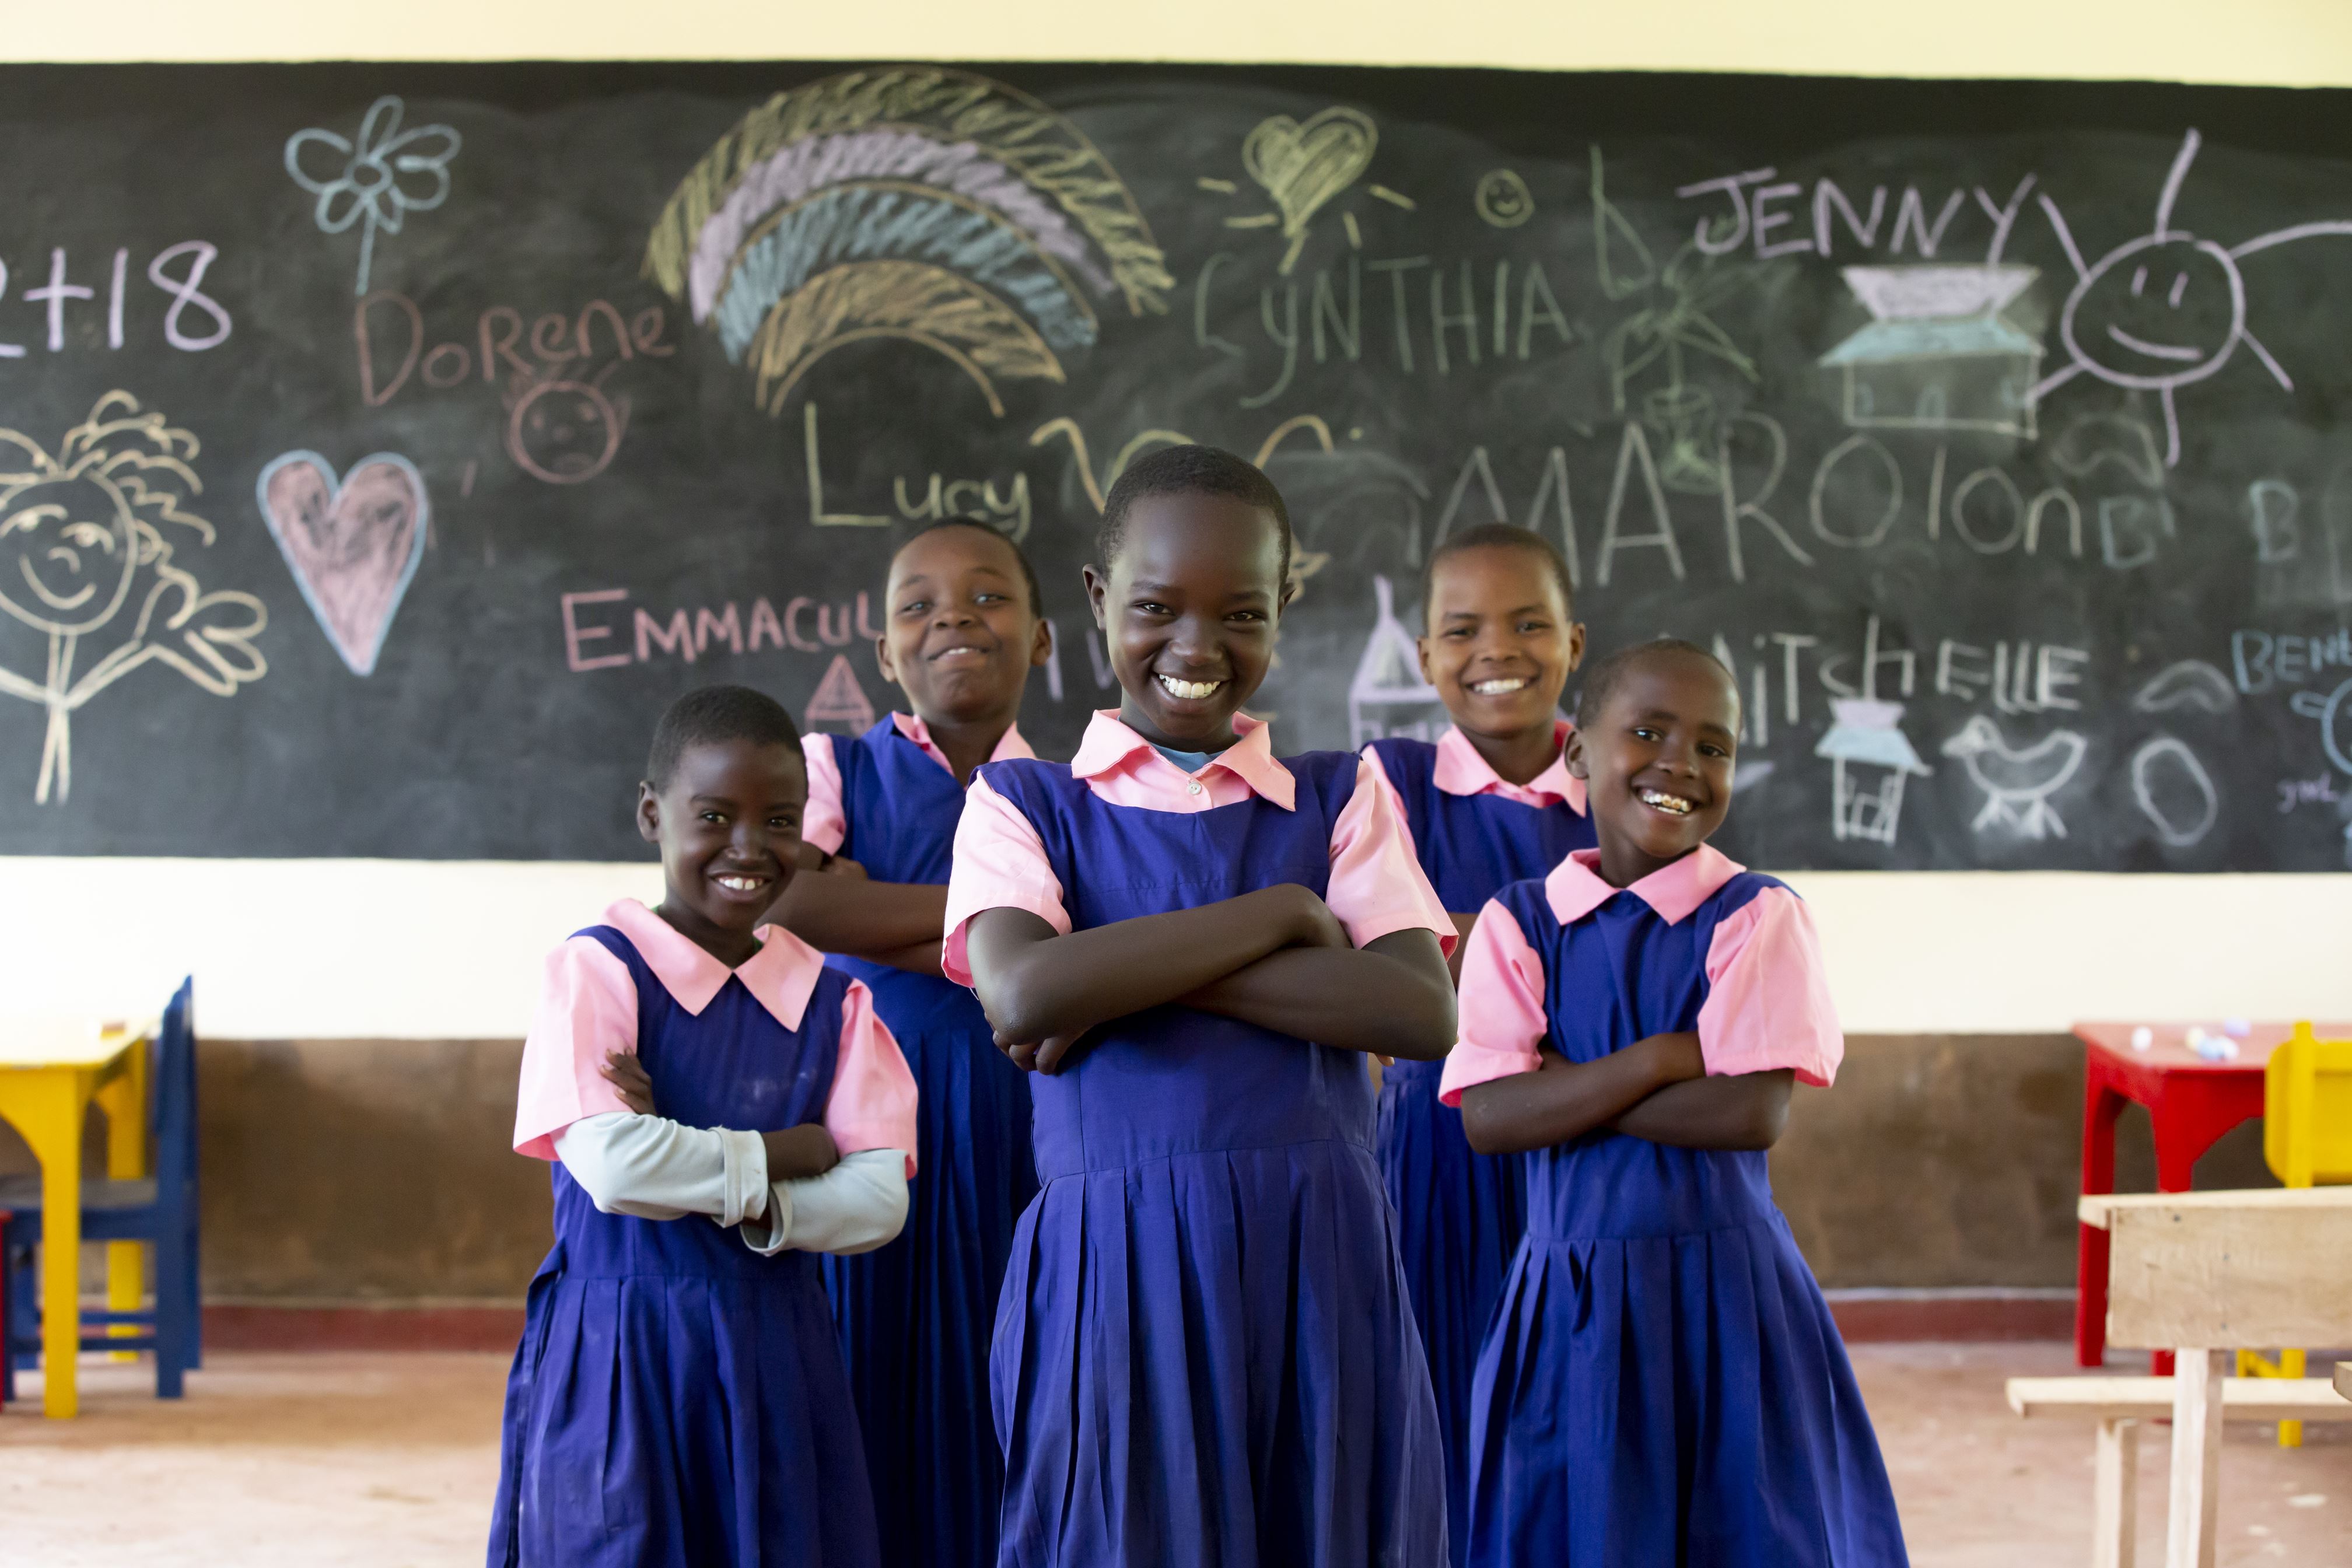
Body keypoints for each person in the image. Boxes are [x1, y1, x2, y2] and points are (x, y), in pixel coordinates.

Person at [944, 445, 1455, 1567]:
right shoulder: (1021, 800)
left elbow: (1419, 1011)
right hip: (1113, 1264)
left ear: (1286, 603)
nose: (1195, 646)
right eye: (1156, 607)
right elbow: (1024, 989)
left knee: (1316, 1527)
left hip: (1314, 1255)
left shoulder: (1342, 792)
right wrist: (1280, 910)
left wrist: (1113, 974)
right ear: (1095, 599)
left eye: (1240, 613)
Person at [1443, 639, 1908, 1567]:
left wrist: (1561, 1087)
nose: (1680, 766)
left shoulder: (1755, 916)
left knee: (1748, 1528)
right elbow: (1490, 1121)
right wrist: (1663, 1057)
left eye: (1713, 747)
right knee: (1578, 1529)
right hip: (1568, 1299)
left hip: (1726, 1298)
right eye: (1647, 732)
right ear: (1578, 755)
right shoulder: (1519, 923)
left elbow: (1747, 1114)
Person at [489, 685, 918, 1568]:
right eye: (714, 815)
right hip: (620, 1355)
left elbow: (878, 1199)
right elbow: (611, 1166)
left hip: (776, 1354)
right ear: (652, 813)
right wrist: (787, 1154)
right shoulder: (596, 971)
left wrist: (720, 1181)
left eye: (780, 820)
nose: (749, 848)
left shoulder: (832, 1000)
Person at [768, 518, 1051, 1568]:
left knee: (1006, 1368)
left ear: (1043, 636)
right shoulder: (831, 764)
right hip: (859, 1118)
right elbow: (791, 904)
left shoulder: (1065, 793)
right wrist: (1007, 921)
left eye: (988, 598)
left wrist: (878, 909)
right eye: (917, 606)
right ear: (883, 654)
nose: (953, 620)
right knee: (860, 1365)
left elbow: (845, 913)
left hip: (1015, 1116)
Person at [1361, 521, 1591, 1567]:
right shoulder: (1387, 782)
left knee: (1577, 1406)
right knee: (1446, 1403)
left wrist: (1461, 945)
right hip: (1437, 1153)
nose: (1497, 650)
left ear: (1575, 645)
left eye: (1529, 623)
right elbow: (1388, 959)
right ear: (1423, 658)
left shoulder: (1623, 775)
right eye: (1462, 629)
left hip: (1590, 1150)